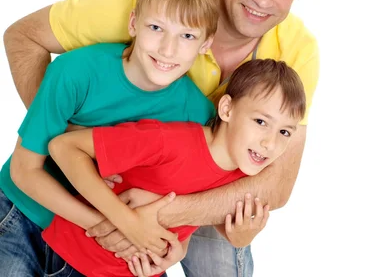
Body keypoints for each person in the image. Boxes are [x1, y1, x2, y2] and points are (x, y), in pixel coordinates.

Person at [3, 0, 320, 277]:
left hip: (190, 192)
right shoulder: (153, 0)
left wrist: (155, 219)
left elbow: (274, 184)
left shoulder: (297, 52)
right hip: (90, 188)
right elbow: (23, 38)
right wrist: (68, 138)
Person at [0, 0, 219, 276]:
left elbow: (184, 205)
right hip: (25, 214)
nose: (168, 49)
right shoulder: (75, 72)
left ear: (206, 44)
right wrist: (111, 225)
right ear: (133, 23)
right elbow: (25, 170)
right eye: (156, 28)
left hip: (96, 249)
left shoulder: (197, 115)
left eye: (186, 35)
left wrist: (175, 251)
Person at [44, 59, 306, 277]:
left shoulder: (243, 175)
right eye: (260, 121)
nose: (270, 143)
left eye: (284, 131)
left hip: (142, 271)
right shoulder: (168, 141)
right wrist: (126, 220)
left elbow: (197, 213)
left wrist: (240, 237)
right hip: (80, 261)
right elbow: (64, 147)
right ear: (226, 109)